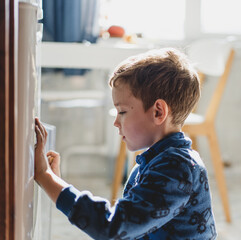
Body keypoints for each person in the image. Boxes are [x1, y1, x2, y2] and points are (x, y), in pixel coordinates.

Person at [34, 48, 217, 240]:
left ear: (158, 112)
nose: (116, 122)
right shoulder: (161, 161)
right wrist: (55, 182)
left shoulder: (176, 167)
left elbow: (112, 228)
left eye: (122, 112)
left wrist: (46, 177)